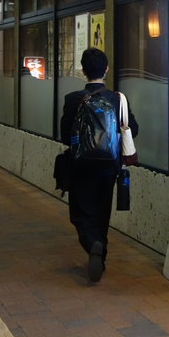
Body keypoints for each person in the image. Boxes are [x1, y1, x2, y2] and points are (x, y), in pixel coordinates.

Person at [59, 47, 137, 282]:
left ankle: (91, 242)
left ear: (83, 70)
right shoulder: (118, 99)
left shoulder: (72, 99)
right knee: (102, 212)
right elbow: (133, 129)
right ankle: (100, 256)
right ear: (106, 69)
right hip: (109, 166)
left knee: (80, 214)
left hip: (80, 166)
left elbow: (65, 136)